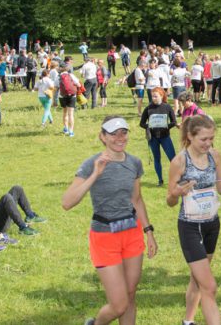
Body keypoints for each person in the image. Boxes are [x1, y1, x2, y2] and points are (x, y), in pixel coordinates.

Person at [62, 116, 157, 325]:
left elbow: (137, 199)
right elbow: (67, 202)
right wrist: (96, 174)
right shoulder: (91, 164)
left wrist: (149, 232)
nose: (119, 137)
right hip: (104, 236)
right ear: (102, 137)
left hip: (132, 233)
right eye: (113, 133)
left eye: (123, 132)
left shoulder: (134, 163)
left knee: (130, 295)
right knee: (119, 304)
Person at [167, 115, 221, 325]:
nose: (208, 143)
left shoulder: (215, 156)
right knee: (209, 286)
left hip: (212, 224)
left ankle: (188, 321)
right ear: (190, 137)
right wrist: (177, 193)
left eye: (211, 138)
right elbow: (170, 200)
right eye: (203, 139)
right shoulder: (180, 161)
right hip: (190, 227)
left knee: (198, 278)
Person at [139, 87, 177, 187]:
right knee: (157, 158)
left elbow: (174, 122)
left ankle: (177, 179)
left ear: (161, 95)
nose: (153, 98)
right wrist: (149, 126)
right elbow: (142, 123)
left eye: (155, 96)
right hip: (153, 138)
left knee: (173, 158)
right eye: (152, 96)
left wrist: (166, 126)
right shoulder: (148, 108)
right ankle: (160, 180)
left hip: (165, 137)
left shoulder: (167, 107)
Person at [58, 64, 81, 137]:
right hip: (72, 95)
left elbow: (55, 87)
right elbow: (79, 85)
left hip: (62, 96)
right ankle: (71, 131)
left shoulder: (58, 77)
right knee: (71, 114)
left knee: (65, 113)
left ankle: (66, 128)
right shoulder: (71, 75)